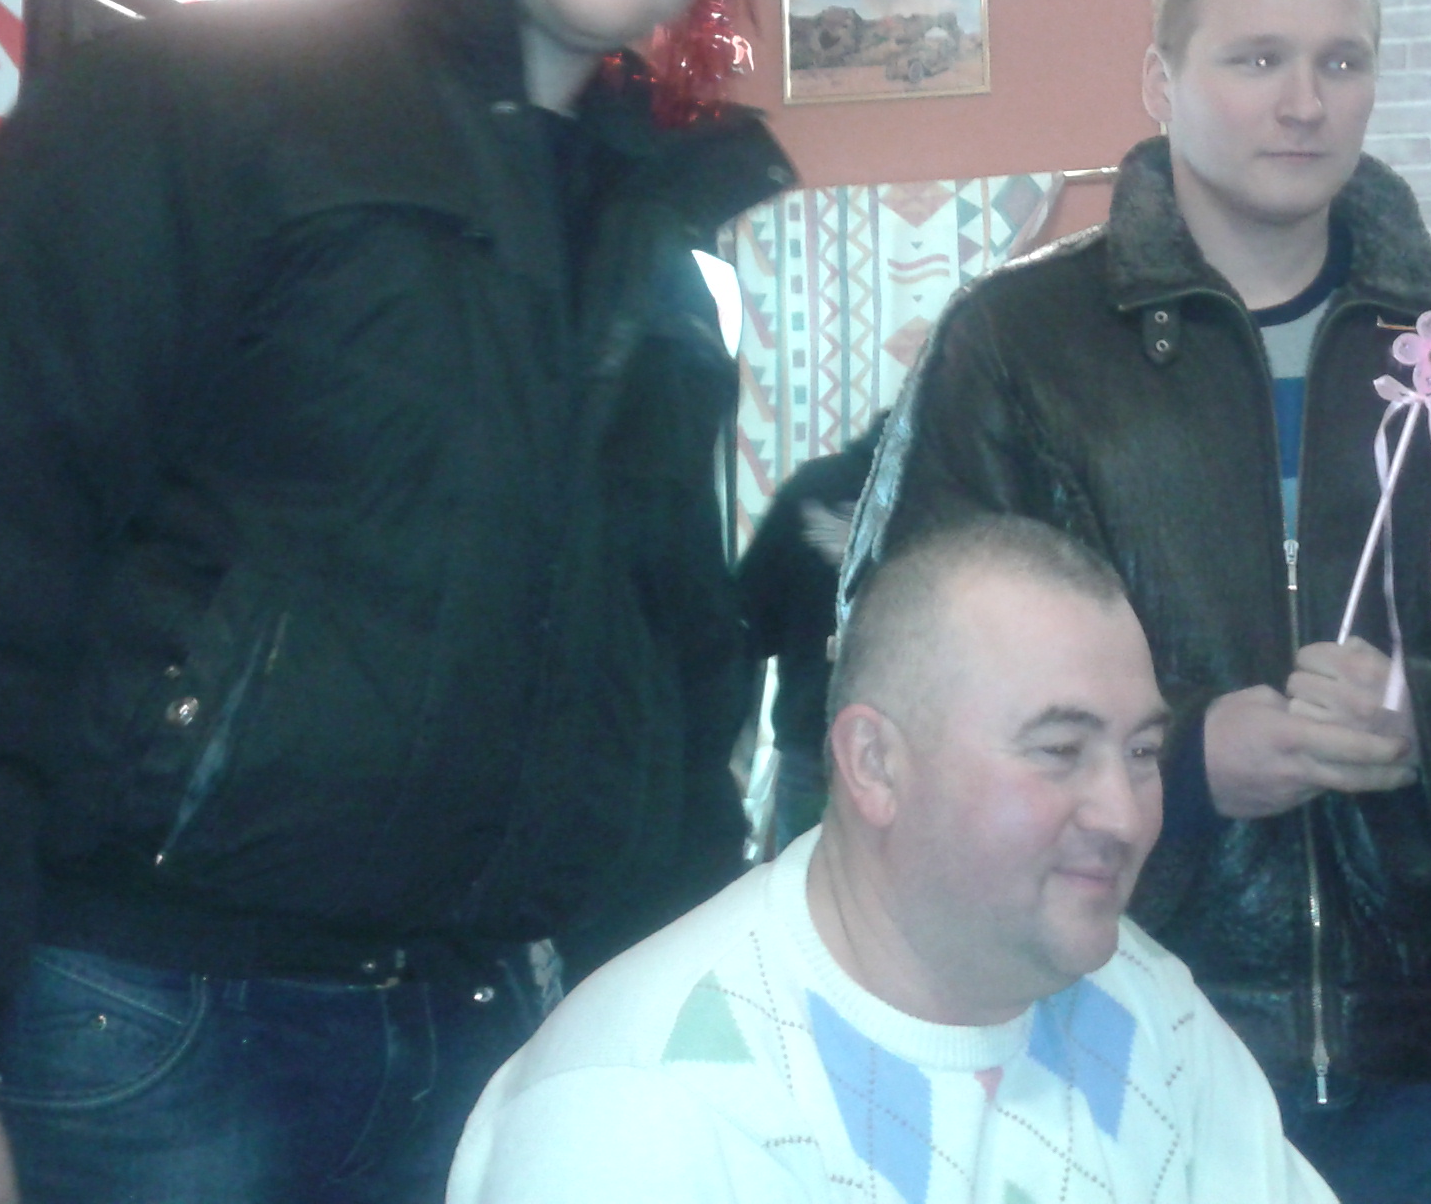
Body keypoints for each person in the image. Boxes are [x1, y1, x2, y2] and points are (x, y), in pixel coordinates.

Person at [0, 0, 796, 1204]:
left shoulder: (658, 254)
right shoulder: (200, 102)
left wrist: (697, 1043)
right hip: (146, 1022)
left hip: (495, 1032)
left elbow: (672, 682)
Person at [845, 0, 1431, 1204]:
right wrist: (1181, 760)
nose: (1303, 103)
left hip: (1428, 1045)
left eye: (1339, 63)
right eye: (1256, 59)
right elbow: (907, 663)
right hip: (1105, 1019)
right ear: (1161, 81)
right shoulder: (1015, 346)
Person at [448, 516, 1334, 1204]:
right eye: (1060, 751)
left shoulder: (1144, 1008)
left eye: (1141, 752)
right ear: (875, 764)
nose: (1126, 814)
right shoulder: (640, 1118)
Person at [737, 414, 885, 850]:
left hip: (814, 739)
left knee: (803, 884)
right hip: (920, 753)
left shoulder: (814, 488)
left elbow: (751, 621)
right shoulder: (951, 497)